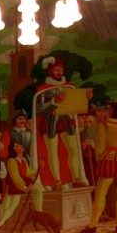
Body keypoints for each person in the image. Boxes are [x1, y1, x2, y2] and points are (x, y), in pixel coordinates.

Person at [81, 97, 117, 233]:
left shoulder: (104, 124)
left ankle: (93, 225)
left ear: (111, 109)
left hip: (109, 160)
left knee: (100, 192)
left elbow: (100, 146)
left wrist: (99, 160)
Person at [33, 57, 87, 189]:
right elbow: (39, 108)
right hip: (50, 122)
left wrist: (85, 98)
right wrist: (54, 101)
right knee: (53, 152)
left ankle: (77, 178)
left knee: (74, 150)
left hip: (67, 121)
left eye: (61, 70)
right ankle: (57, 180)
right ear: (50, 71)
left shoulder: (69, 86)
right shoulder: (43, 88)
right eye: (56, 70)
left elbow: (75, 105)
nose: (59, 73)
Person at [0, 141, 41, 232]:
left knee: (38, 189)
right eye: (16, 146)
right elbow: (15, 177)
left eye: (19, 145)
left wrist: (38, 170)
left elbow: (27, 173)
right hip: (15, 185)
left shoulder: (24, 160)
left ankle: (39, 213)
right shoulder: (11, 161)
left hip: (22, 184)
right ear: (14, 149)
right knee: (11, 207)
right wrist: (25, 187)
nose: (19, 147)